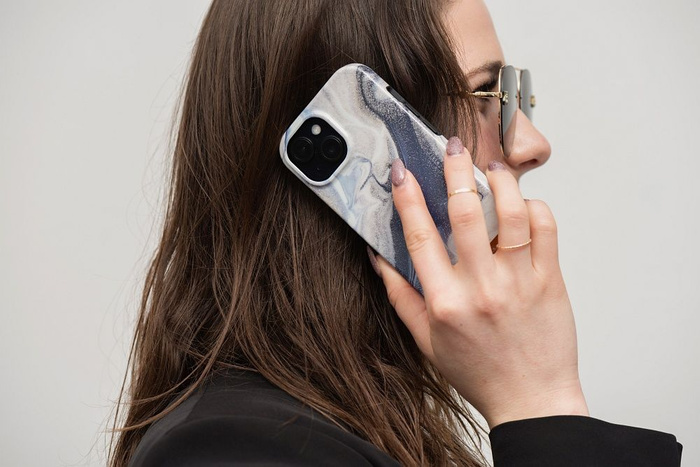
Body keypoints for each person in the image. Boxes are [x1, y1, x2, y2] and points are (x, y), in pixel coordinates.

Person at [109, 0, 682, 465]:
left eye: (515, 92)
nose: (531, 143)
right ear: (364, 134)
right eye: (488, 95)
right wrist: (542, 407)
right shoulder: (235, 450)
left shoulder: (341, 424)